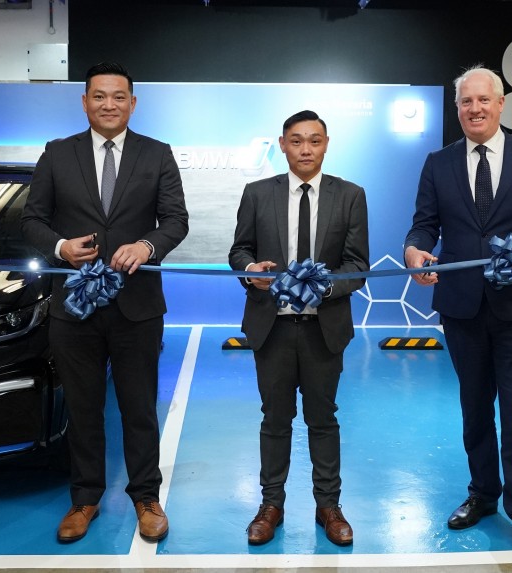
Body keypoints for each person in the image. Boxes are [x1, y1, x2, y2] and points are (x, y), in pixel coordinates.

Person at [403, 66, 512, 570]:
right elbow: (423, 225)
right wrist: (415, 252)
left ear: (501, 105)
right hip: (461, 306)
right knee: (475, 409)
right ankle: (483, 494)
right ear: (457, 109)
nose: (474, 109)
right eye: (464, 102)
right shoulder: (438, 162)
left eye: (483, 100)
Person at [21, 62, 188, 543]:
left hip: (137, 307)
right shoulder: (57, 154)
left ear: (132, 103)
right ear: (84, 102)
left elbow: (176, 220)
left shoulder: (157, 154)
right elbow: (32, 221)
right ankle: (85, 498)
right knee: (83, 407)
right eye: (99, 96)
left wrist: (147, 247)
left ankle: (146, 497)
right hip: (74, 308)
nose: (109, 105)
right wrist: (59, 247)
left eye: (119, 97)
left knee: (139, 408)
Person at [228, 110, 369, 546]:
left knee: (323, 419)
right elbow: (239, 251)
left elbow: (357, 267)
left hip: (322, 328)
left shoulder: (350, 195)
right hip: (271, 327)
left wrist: (323, 289)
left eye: (314, 141)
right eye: (296, 141)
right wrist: (250, 269)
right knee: (275, 419)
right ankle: (271, 504)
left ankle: (329, 506)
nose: (305, 149)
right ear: (282, 144)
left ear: (327, 144)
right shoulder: (256, 193)